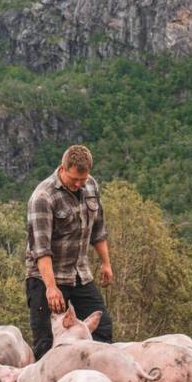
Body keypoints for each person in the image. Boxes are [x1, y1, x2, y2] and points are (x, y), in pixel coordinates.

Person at [25, 144, 113, 359]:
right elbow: (41, 249)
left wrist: (106, 263)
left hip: (80, 275)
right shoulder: (43, 197)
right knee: (47, 343)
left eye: (82, 179)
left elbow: (98, 230)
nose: (78, 184)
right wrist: (51, 288)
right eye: (74, 179)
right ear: (62, 169)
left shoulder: (91, 186)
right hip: (47, 278)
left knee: (103, 331)